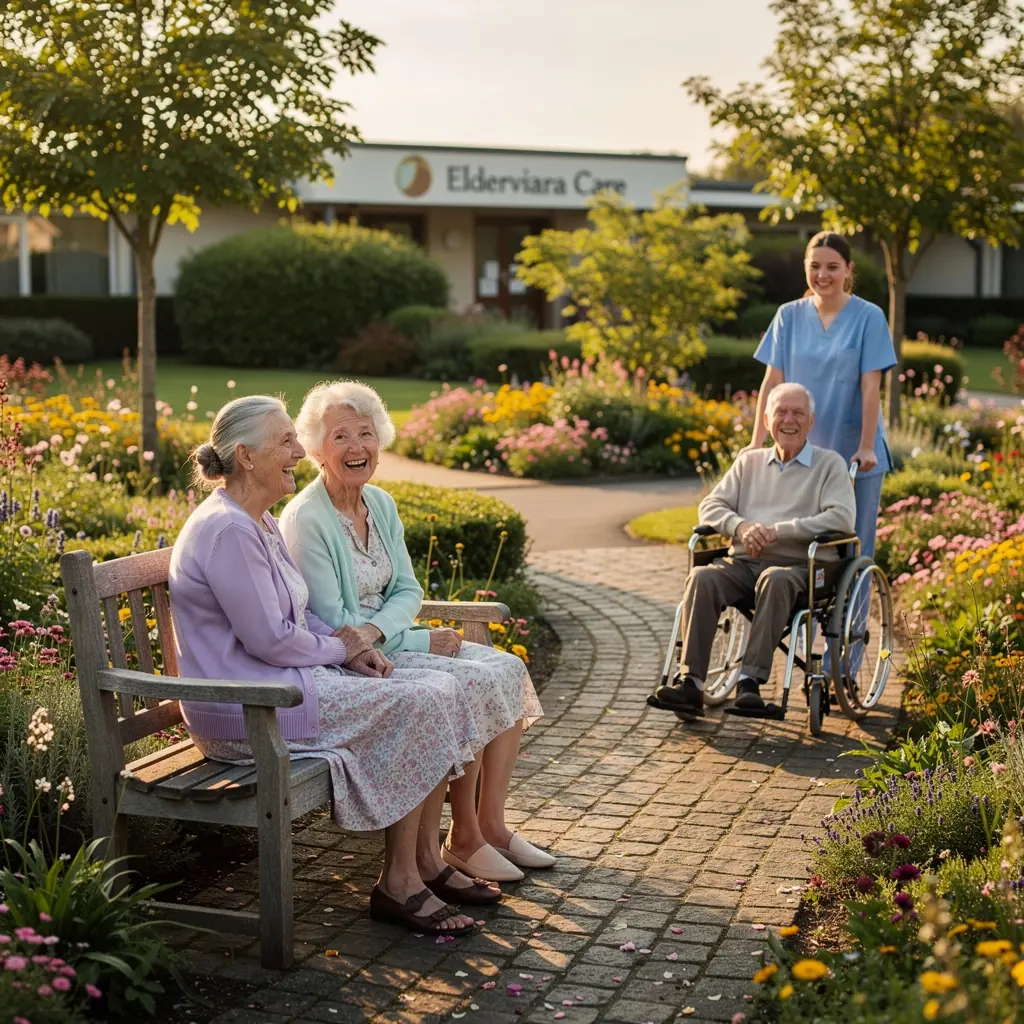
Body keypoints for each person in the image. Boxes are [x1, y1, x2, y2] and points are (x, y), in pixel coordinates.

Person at [168, 394, 489, 937]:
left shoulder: (256, 521)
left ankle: (418, 867)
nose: (300, 451)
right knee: (417, 702)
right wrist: (342, 650)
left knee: (435, 690)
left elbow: (298, 616)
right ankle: (401, 882)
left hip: (279, 688)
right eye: (286, 442)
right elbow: (271, 641)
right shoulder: (229, 531)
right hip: (246, 711)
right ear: (246, 457)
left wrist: (353, 645)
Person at [279, 380, 551, 885]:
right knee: (467, 682)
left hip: (388, 639)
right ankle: (464, 837)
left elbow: (408, 588)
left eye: (366, 433)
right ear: (316, 449)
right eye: (341, 436)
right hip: (353, 661)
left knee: (507, 668)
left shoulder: (380, 504)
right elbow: (338, 623)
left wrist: (389, 628)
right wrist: (420, 639)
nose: (357, 446)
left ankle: (490, 826)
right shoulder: (306, 518)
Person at [653, 383, 856, 717]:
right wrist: (741, 527)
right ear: (766, 419)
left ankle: (749, 683)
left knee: (775, 579)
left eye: (798, 413)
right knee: (702, 577)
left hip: (800, 568)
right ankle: (691, 683)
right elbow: (710, 506)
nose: (788, 419)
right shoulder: (749, 462)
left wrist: (778, 531)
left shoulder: (829, 464)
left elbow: (842, 517)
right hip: (744, 563)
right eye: (780, 412)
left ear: (811, 421)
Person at [747, 231, 897, 562]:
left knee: (854, 547)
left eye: (832, 267)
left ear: (848, 270)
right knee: (801, 547)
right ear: (805, 268)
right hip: (801, 453)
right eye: (815, 266)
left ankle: (856, 601)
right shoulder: (788, 316)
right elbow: (772, 383)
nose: (822, 275)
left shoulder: (869, 317)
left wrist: (867, 446)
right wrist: (756, 442)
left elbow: (871, 386)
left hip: (855, 452)